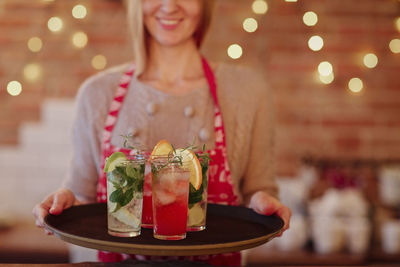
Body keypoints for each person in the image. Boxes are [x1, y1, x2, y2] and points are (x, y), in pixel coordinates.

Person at [33, 0, 291, 265]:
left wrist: (264, 203)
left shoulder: (248, 91)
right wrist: (64, 202)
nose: (169, 6)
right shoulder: (97, 92)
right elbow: (82, 197)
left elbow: (259, 190)